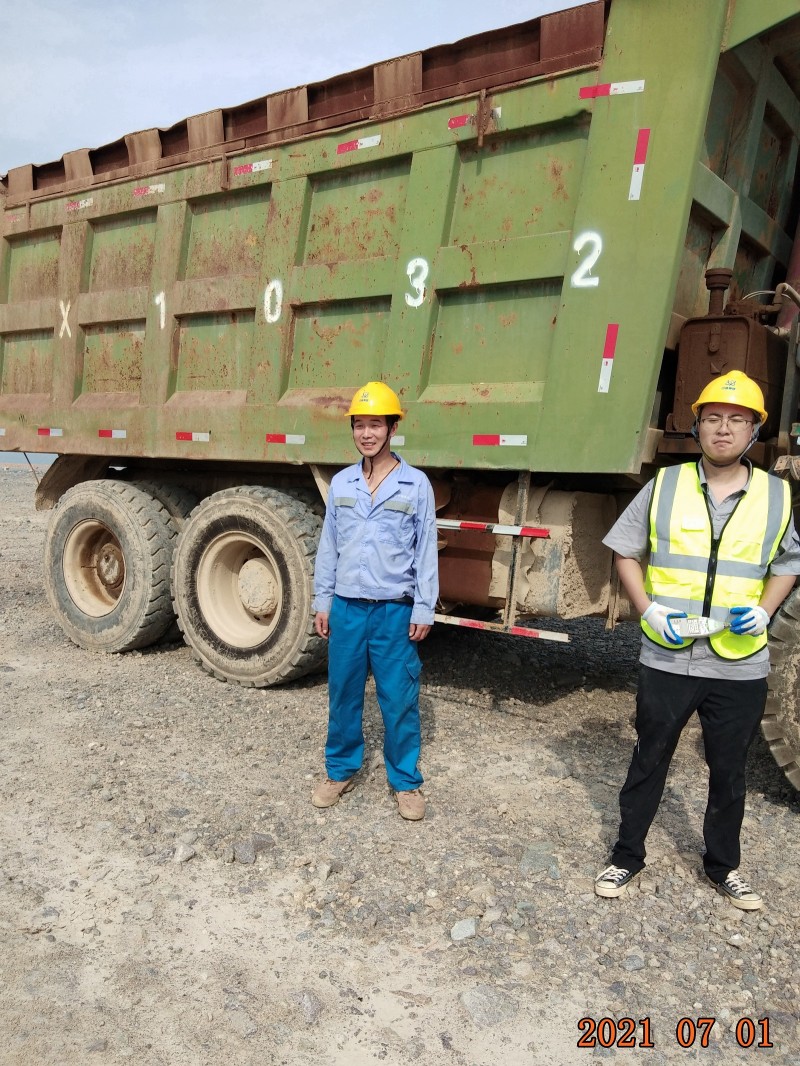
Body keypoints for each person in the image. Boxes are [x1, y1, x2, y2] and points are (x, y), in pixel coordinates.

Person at [595, 370, 800, 910]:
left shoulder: (776, 496)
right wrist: (648, 609)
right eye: (713, 418)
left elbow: (788, 564)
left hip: (739, 662)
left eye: (737, 419)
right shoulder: (664, 485)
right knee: (649, 757)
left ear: (754, 430)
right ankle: (626, 855)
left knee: (729, 771)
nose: (723, 429)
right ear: (697, 427)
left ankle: (723, 867)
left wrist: (764, 612)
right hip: (669, 655)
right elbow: (624, 550)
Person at [311, 381, 439, 820]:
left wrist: (424, 607)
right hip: (347, 608)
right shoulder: (342, 482)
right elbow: (329, 545)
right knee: (343, 693)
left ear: (392, 428)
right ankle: (340, 770)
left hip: (393, 610)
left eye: (375, 425)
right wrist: (323, 600)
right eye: (359, 425)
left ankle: (405, 781)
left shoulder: (415, 484)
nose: (367, 434)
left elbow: (425, 550)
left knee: (398, 697)